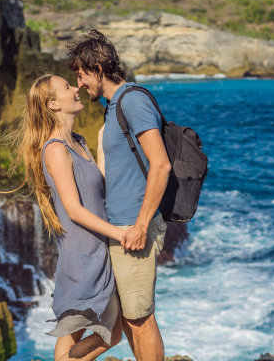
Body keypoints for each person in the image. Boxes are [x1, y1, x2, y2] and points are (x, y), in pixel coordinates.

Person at [6, 74, 127, 361]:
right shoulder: (56, 149)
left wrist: (102, 142)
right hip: (82, 257)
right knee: (102, 331)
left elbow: (98, 189)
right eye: (67, 87)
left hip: (96, 251)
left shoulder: (77, 142)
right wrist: (120, 233)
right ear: (53, 105)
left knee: (93, 333)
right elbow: (74, 209)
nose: (77, 89)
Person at [68, 30, 171, 361]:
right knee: (129, 320)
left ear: (97, 69)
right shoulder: (113, 107)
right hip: (121, 228)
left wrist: (141, 225)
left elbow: (161, 166)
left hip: (133, 228)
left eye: (82, 76)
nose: (80, 85)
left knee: (140, 318)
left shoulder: (132, 100)